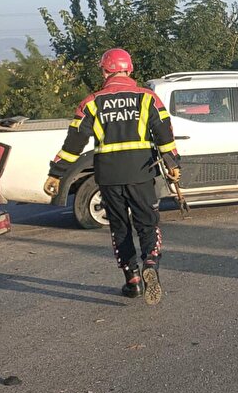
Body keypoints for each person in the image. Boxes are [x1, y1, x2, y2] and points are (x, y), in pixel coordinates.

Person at [43, 49, 180, 304]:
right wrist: (173, 163)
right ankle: (151, 262)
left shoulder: (91, 103)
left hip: (108, 176)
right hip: (141, 172)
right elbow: (164, 134)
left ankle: (133, 280)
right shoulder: (148, 98)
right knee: (147, 223)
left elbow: (74, 143)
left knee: (120, 227)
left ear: (105, 72)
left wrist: (56, 173)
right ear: (130, 70)